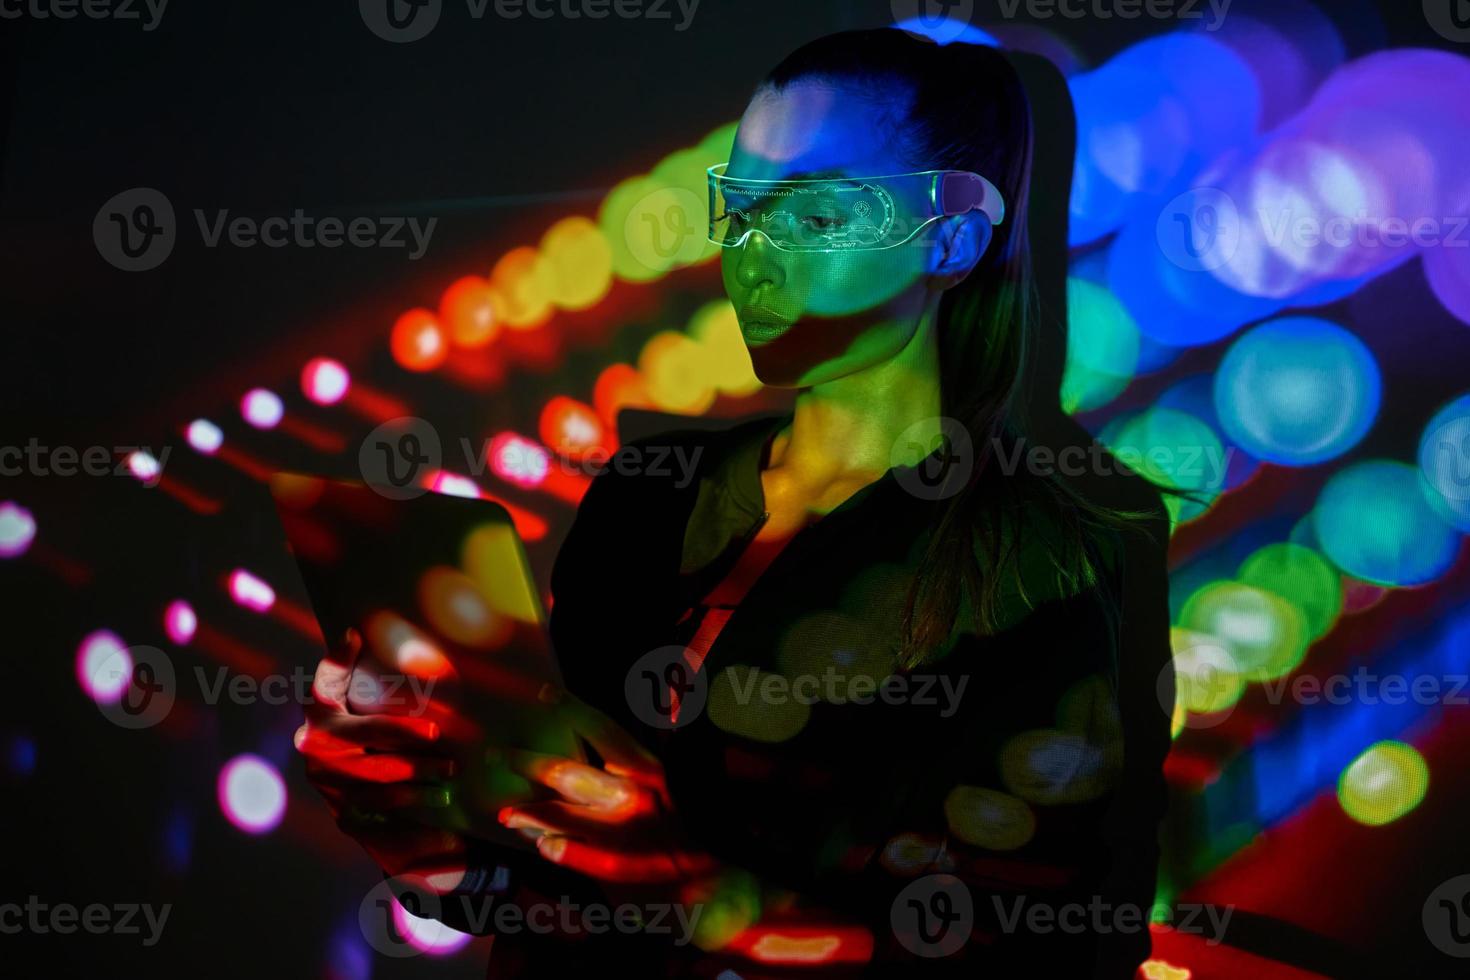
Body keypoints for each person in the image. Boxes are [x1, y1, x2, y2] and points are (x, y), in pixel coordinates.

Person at [299, 27, 1174, 978]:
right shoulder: (645, 497)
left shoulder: (1034, 560)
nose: (751, 259)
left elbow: (1051, 954)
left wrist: (714, 904)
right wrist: (408, 816)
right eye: (741, 208)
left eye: (816, 217)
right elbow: (543, 884)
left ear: (954, 238)